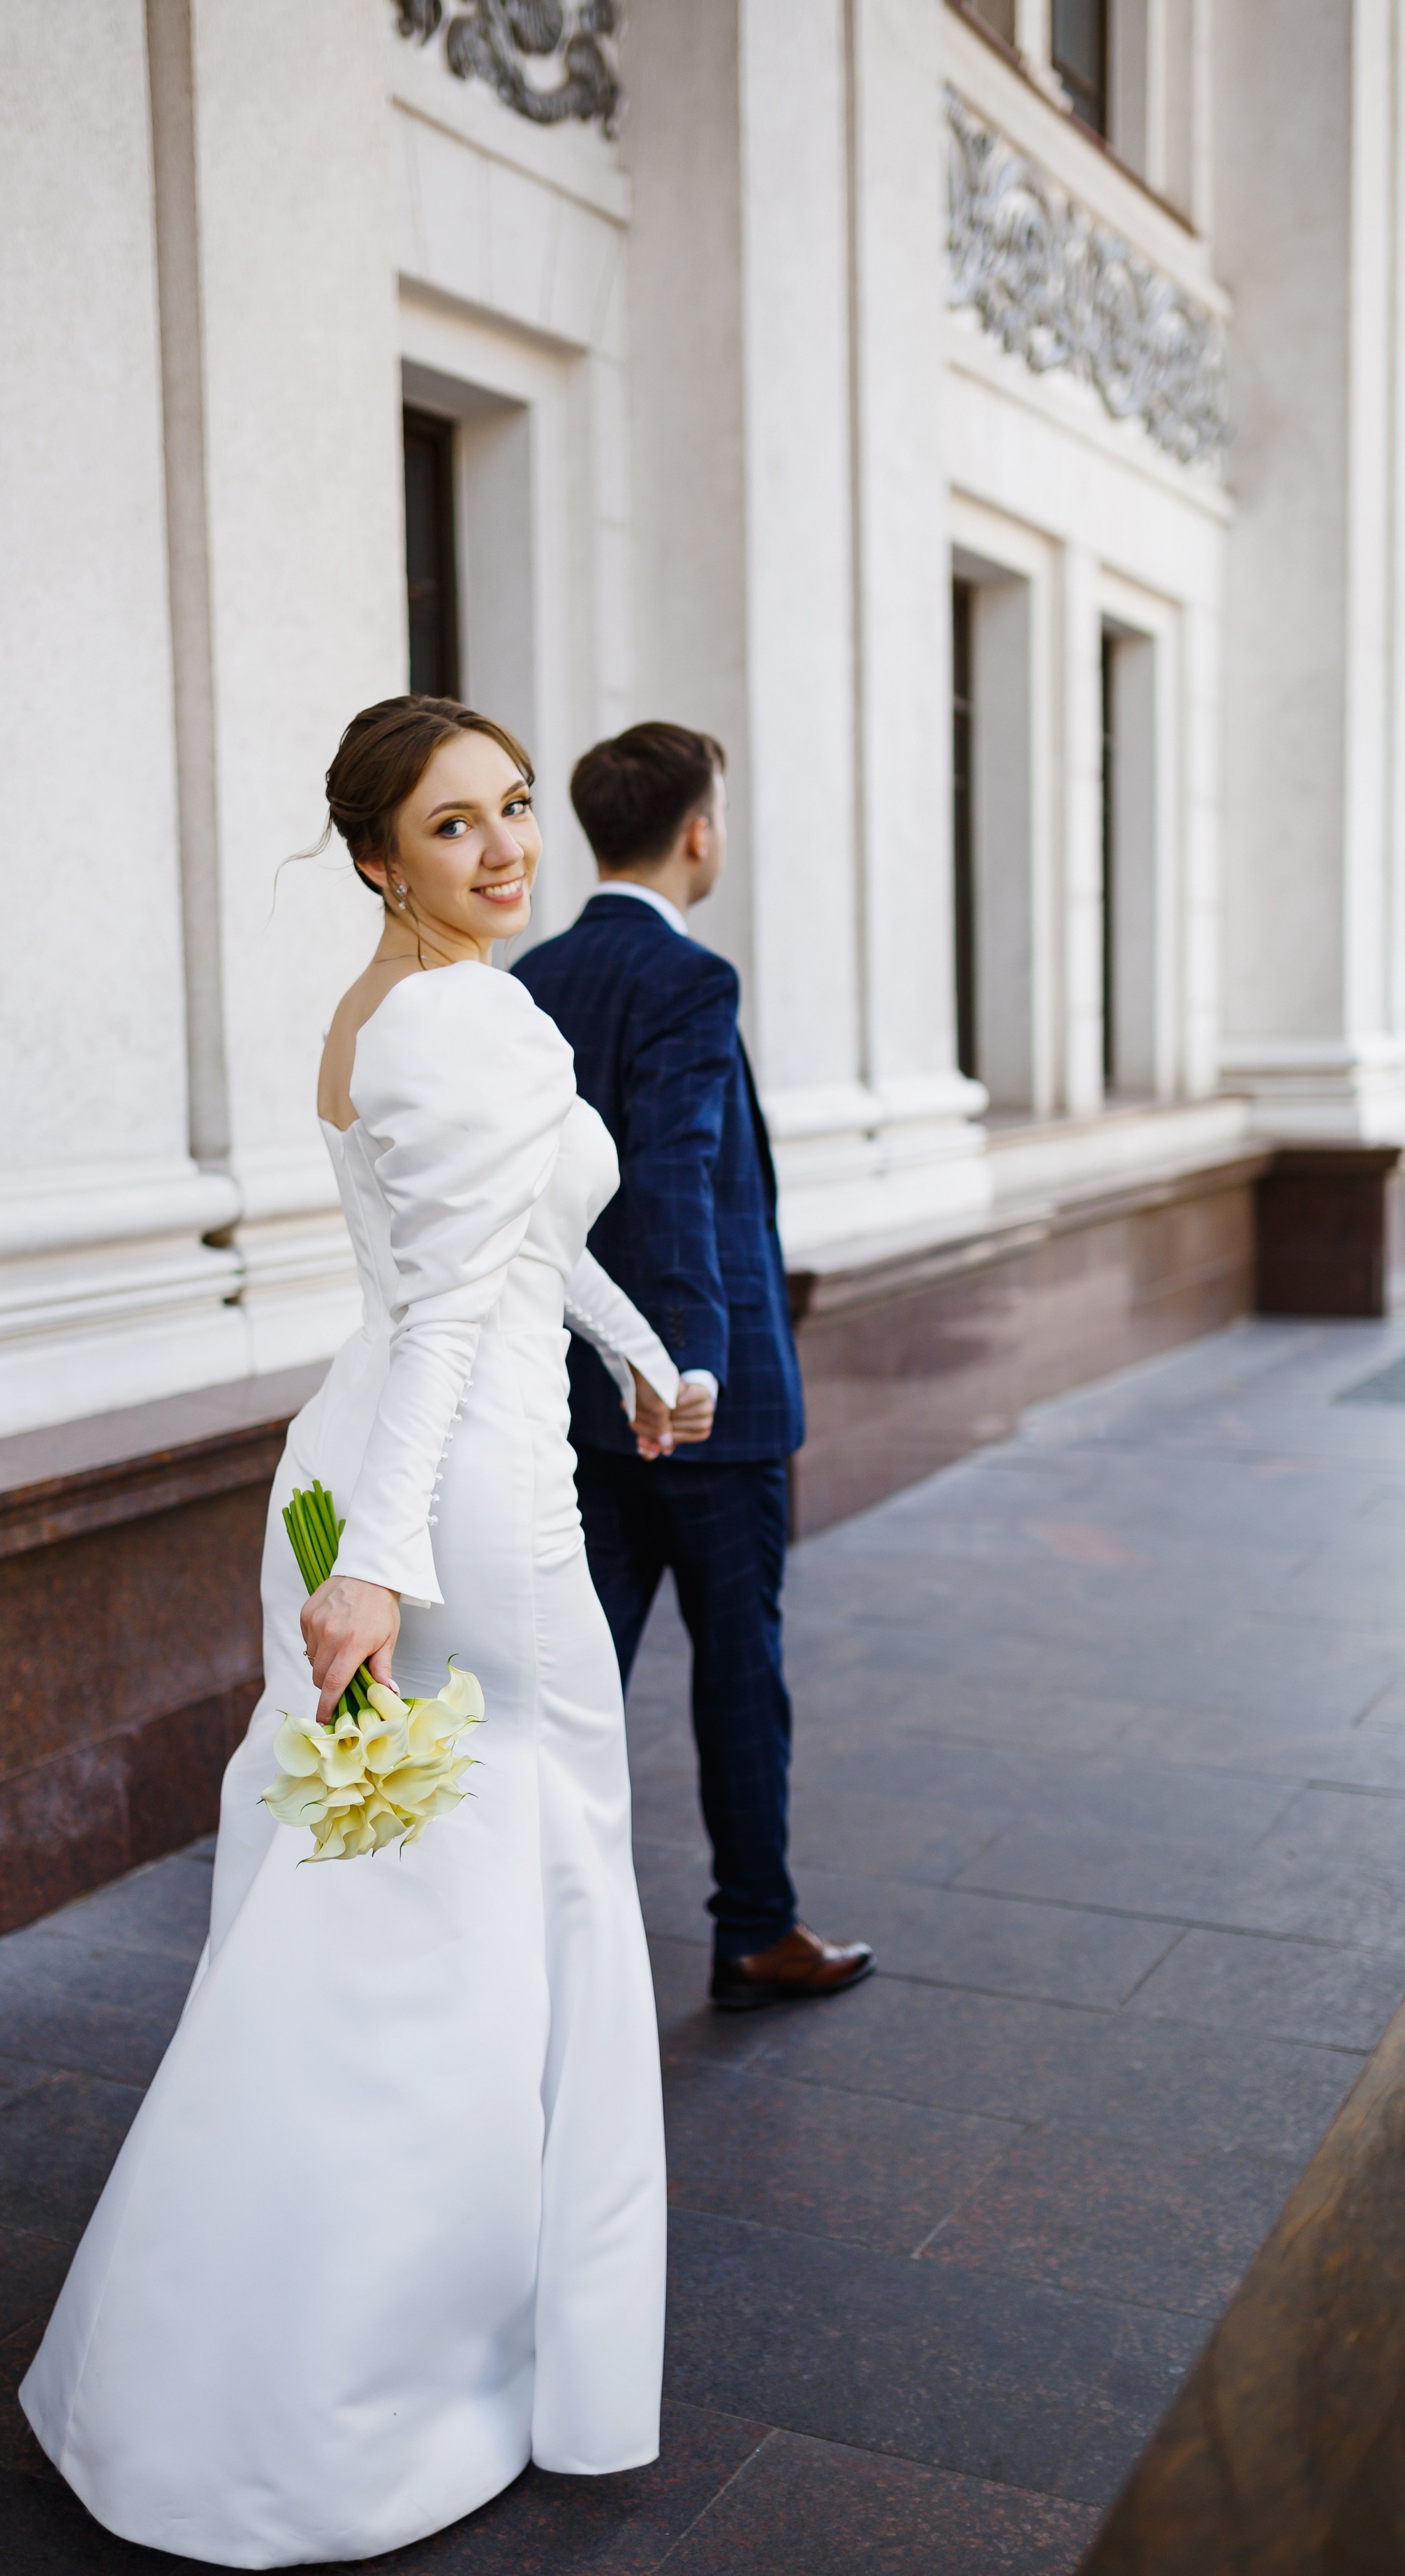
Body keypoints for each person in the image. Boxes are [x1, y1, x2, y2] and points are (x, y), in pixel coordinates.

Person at [20, 697, 674, 2568]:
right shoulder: (465, 1014)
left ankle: (251, 2340)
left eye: (519, 811)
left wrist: (637, 1359)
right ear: (378, 854)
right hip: (456, 1491)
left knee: (379, 1879)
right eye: (455, 827)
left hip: (369, 1453)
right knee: (526, 1879)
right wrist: (384, 1564)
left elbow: (497, 1262)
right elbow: (465, 1308)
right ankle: (419, 2358)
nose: (504, 851)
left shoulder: (385, 1005)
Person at [515, 722, 873, 2012]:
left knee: (576, 1680)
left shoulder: (533, 976)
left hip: (575, 1399)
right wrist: (684, 1369)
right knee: (738, 1672)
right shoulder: (692, 980)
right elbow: (676, 1175)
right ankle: (755, 1931)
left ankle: (536, 1934)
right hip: (700, 1408)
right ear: (698, 831)